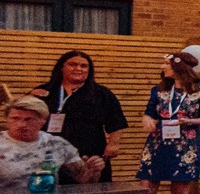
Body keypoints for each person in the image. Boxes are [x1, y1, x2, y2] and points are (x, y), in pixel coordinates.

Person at [1, 96, 107, 194]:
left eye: (28, 120)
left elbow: (85, 180)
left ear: (43, 120)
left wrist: (93, 170)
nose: (21, 124)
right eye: (15, 119)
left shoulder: (57, 144)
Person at [131, 47, 200, 194]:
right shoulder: (158, 90)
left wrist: (188, 121)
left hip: (185, 146)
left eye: (166, 64)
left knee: (180, 190)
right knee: (146, 187)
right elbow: (149, 113)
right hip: (156, 144)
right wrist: (146, 120)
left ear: (179, 68)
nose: (163, 67)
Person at [30, 49, 128, 183]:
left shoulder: (101, 94)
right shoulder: (43, 91)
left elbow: (116, 122)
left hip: (88, 151)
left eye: (83, 66)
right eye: (73, 64)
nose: (78, 69)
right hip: (50, 152)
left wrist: (114, 144)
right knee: (49, 190)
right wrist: (30, 97)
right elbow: (25, 116)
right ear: (61, 67)